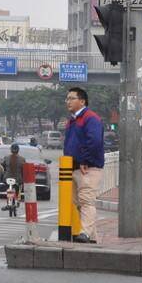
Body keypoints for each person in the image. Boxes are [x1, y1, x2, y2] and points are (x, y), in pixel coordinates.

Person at [64, 87, 104, 244]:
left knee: (86, 201)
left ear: (82, 101)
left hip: (87, 167)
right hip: (73, 167)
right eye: (67, 98)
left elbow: (94, 141)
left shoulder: (90, 118)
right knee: (78, 202)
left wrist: (85, 160)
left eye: (71, 98)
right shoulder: (72, 120)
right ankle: (92, 237)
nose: (68, 101)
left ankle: (85, 233)